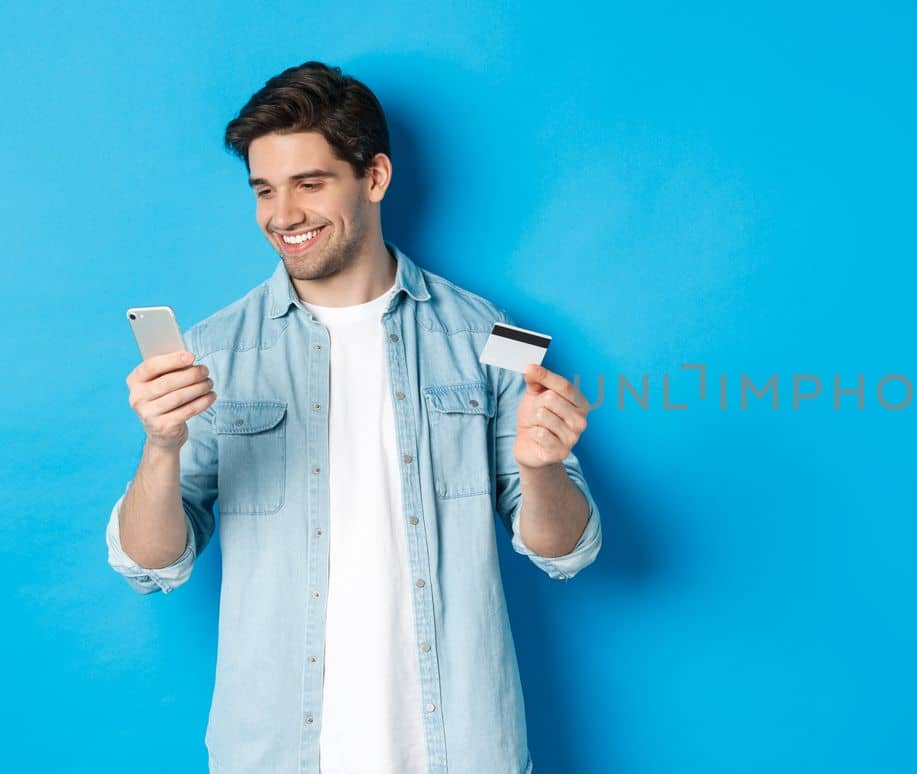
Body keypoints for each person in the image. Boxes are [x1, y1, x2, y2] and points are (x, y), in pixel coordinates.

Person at [105, 61, 601, 774]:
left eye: (310, 183)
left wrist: (541, 466)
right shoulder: (213, 349)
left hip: (460, 749)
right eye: (264, 190)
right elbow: (149, 566)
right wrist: (159, 448)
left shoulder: (489, 332)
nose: (283, 215)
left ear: (374, 177)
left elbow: (567, 550)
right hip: (275, 753)